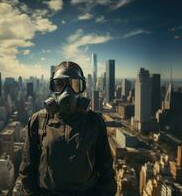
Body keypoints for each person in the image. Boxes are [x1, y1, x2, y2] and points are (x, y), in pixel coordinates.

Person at [18, 61, 116, 196]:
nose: (67, 91)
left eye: (75, 85)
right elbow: (27, 171)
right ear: (53, 88)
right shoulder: (38, 121)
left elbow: (106, 172)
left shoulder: (94, 122)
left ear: (82, 88)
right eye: (60, 84)